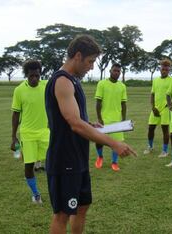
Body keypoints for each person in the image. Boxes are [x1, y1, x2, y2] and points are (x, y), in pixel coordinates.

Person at [45, 35, 136, 234]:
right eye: (90, 61)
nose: (92, 67)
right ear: (77, 56)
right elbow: (74, 124)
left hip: (77, 158)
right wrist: (113, 143)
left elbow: (77, 120)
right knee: (62, 214)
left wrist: (90, 124)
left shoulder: (73, 81)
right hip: (64, 159)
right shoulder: (62, 81)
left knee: (82, 206)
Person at [11, 59, 49, 204]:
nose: (34, 79)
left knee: (52, 162)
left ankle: (55, 189)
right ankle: (36, 194)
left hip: (45, 132)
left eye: (37, 76)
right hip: (27, 133)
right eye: (31, 76)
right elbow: (15, 114)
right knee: (28, 165)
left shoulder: (46, 86)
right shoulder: (19, 90)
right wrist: (13, 136)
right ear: (26, 75)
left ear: (40, 74)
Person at [94, 63, 128, 171]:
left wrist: (123, 118)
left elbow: (123, 103)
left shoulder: (122, 86)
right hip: (104, 119)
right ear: (110, 71)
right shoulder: (102, 84)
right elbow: (98, 102)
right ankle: (100, 157)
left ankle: (114, 162)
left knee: (117, 143)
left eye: (118, 71)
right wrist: (99, 117)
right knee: (99, 140)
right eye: (115, 70)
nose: (116, 73)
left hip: (117, 120)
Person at [143, 59, 172, 157]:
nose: (164, 70)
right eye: (162, 68)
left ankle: (165, 151)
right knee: (151, 128)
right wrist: (153, 107)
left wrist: (170, 104)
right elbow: (152, 94)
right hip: (156, 108)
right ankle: (150, 147)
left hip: (165, 109)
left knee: (165, 129)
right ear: (160, 69)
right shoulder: (156, 80)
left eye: (166, 69)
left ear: (169, 69)